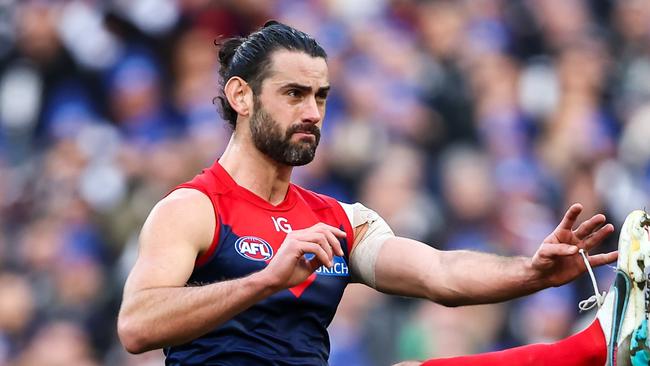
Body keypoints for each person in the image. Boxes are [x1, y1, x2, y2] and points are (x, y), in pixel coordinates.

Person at [116, 21, 633, 365]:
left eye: (320, 97)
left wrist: (532, 271)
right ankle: (594, 347)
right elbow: (136, 327)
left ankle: (596, 348)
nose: (313, 113)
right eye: (294, 94)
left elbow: (441, 274)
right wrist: (264, 281)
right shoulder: (193, 208)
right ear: (240, 95)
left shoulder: (339, 220)